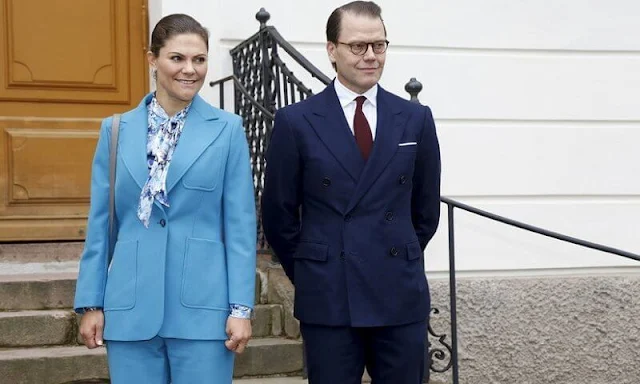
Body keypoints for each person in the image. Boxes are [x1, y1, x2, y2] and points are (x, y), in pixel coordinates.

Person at [261, 1, 441, 383]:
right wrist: (316, 268)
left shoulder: (414, 118)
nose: (371, 56)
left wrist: (394, 255)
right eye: (358, 46)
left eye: (379, 45)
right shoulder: (296, 121)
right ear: (332, 50)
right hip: (330, 298)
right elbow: (278, 215)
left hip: (399, 295)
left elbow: (425, 212)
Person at [74, 13, 256, 384]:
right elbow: (101, 227)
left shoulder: (228, 131)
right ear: (152, 59)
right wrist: (91, 302)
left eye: (199, 60)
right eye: (177, 58)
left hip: (204, 310)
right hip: (130, 308)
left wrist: (241, 308)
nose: (190, 70)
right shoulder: (115, 130)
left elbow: (240, 228)